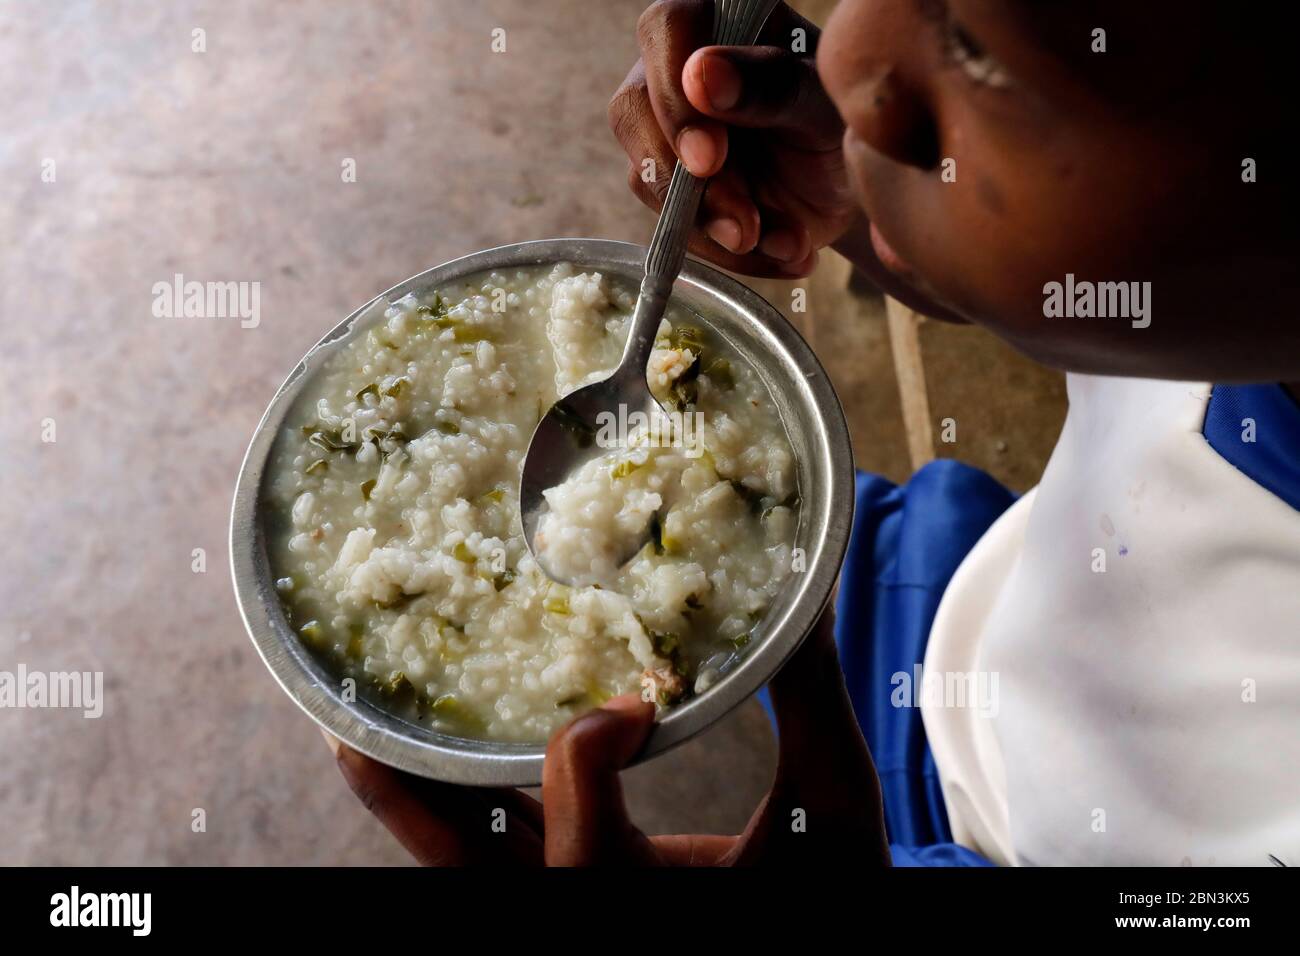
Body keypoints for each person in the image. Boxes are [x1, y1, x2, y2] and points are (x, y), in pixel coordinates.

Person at [326, 0, 1300, 865]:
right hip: (974, 601)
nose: (846, 53)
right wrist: (881, 193)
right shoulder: (1224, 287)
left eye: (977, 52)